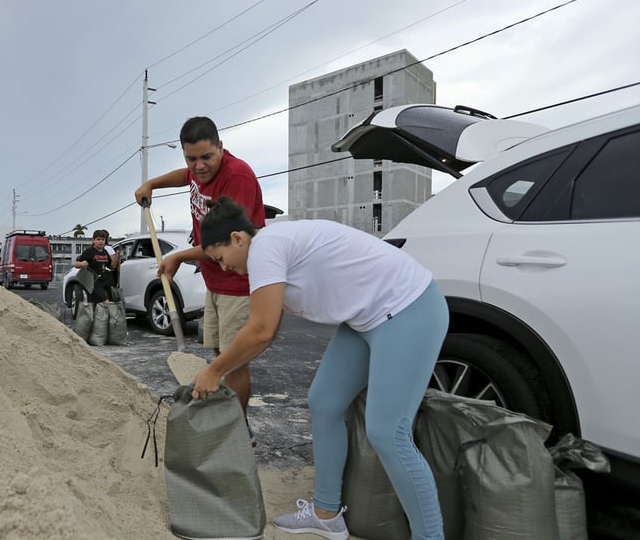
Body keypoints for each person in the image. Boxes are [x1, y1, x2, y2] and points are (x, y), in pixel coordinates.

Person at [191, 196, 448, 540]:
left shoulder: (266, 247)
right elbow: (267, 330)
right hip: (364, 319)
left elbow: (260, 330)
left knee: (388, 433)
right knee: (324, 402)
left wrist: (214, 371)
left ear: (238, 238)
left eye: (220, 258)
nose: (223, 268)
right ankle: (327, 514)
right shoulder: (270, 249)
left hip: (408, 308)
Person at [134, 116, 265, 421]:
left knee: (233, 363)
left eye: (207, 156)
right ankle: (226, 420)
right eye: (191, 158)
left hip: (239, 281)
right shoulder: (196, 172)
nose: (199, 166)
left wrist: (178, 257)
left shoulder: (238, 177)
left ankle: (238, 429)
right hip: (215, 280)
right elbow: (185, 177)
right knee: (221, 356)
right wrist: (152, 184)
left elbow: (229, 240)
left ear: (221, 147)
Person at [74, 230, 116, 304]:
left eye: (103, 239)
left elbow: (112, 266)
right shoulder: (89, 251)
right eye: (98, 239)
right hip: (94, 282)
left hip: (105, 282)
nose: (101, 241)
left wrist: (118, 256)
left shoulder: (105, 252)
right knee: (106, 303)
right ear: (93, 240)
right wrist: (82, 263)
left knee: (100, 304)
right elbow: (76, 264)